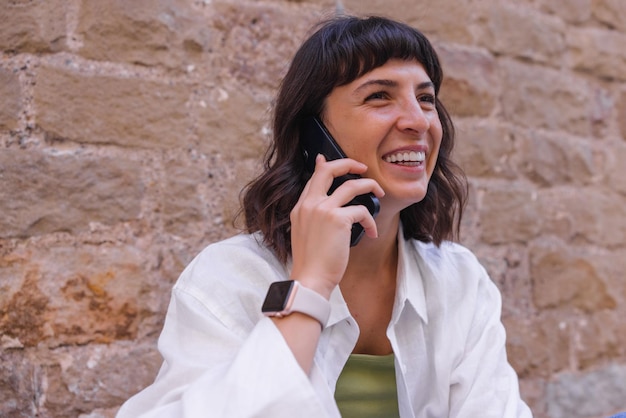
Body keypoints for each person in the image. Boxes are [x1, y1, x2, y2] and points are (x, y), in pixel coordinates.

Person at [116, 14, 533, 418]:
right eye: (379, 96)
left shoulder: (460, 281)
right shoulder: (228, 279)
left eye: (425, 98)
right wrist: (309, 287)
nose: (419, 121)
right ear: (315, 135)